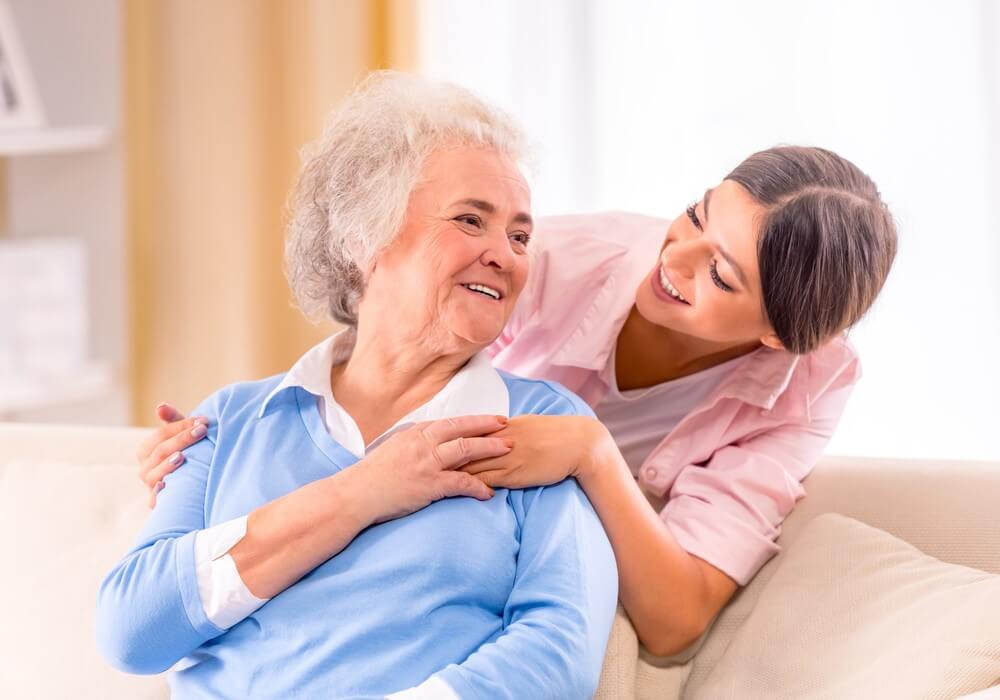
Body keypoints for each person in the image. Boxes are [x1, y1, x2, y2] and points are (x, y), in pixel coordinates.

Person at [139, 111, 897, 659]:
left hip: (531, 563)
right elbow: (389, 351)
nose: (678, 258)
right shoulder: (545, 261)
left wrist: (592, 455)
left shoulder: (810, 379)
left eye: (721, 274)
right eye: (696, 216)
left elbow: (676, 619)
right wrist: (222, 443)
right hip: (431, 523)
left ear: (776, 335)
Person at [98, 72, 618, 699]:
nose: (504, 255)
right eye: (470, 220)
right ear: (363, 238)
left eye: (519, 236)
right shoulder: (232, 421)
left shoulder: (539, 425)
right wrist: (365, 491)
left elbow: (558, 656)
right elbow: (132, 632)